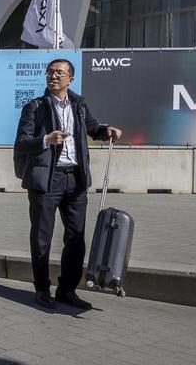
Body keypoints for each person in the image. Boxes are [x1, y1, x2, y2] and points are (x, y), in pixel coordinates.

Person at [14, 58, 123, 310]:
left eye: (59, 73)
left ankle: (67, 290)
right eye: (50, 72)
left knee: (76, 238)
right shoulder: (36, 107)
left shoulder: (79, 105)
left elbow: (94, 129)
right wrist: (46, 139)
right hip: (46, 180)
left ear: (70, 79)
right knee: (42, 238)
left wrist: (107, 131)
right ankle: (42, 289)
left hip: (75, 180)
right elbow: (22, 141)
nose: (53, 76)